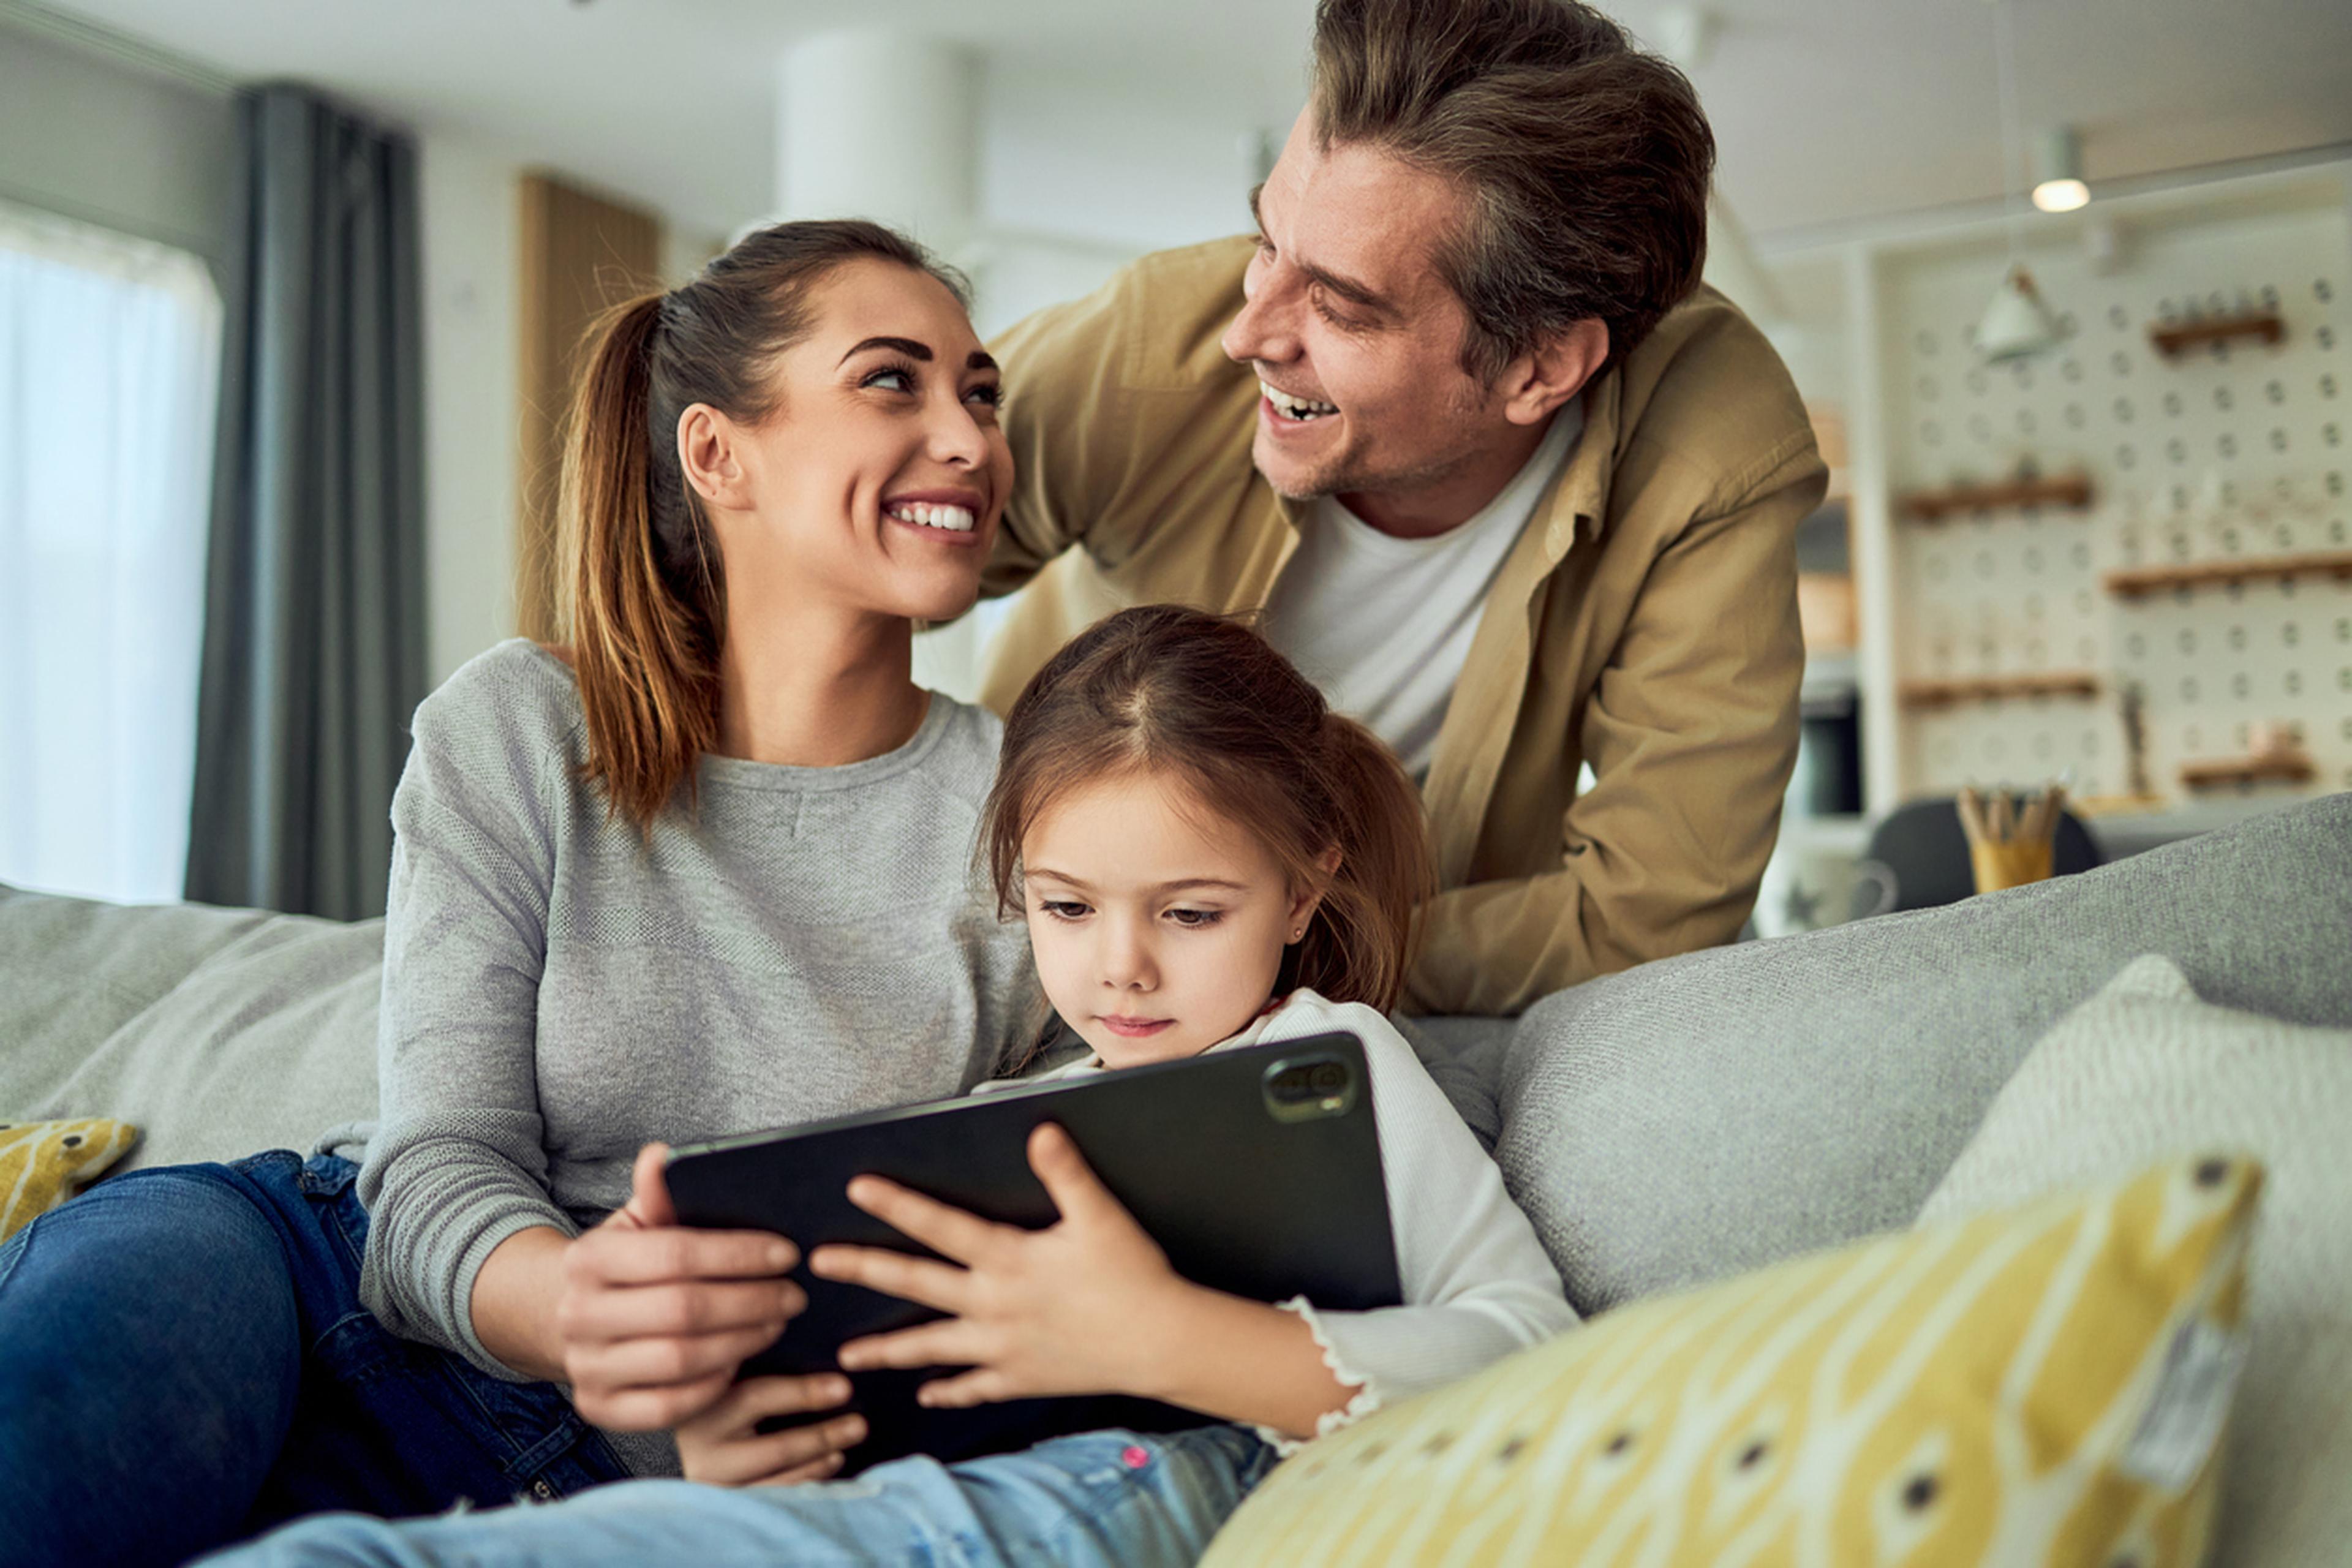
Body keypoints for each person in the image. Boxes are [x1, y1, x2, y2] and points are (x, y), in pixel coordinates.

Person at [0, 219, 1041, 1567]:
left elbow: (1024, 1269)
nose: (969, 439)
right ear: (718, 451)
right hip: (311, 1281)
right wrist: (571, 1303)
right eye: (893, 381)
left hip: (604, 1493)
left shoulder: (1036, 812)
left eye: (981, 393)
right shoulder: (524, 727)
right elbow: (436, 1163)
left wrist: (757, 1450)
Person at [210, 604, 1578, 1567]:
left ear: (1308, 883)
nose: (1122, 971)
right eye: (1064, 905)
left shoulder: (1326, 1063)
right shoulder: (1002, 1118)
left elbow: (1528, 1351)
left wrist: (1154, 1336)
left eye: (1194, 912)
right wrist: (733, 1440)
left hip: (1152, 1477)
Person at [976, 0, 1831, 1016]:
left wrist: (1254, 958)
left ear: (1540, 366)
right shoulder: (1155, 342)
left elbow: (1650, 908)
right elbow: (816, 543)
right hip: (1041, 956)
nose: (1248, 334)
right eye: (1264, 240)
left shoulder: (1718, 448)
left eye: (1340, 305)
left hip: (1400, 995)